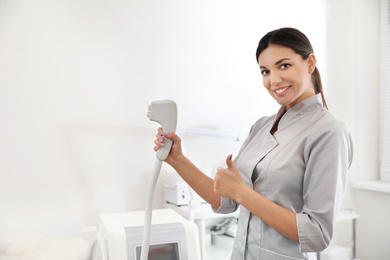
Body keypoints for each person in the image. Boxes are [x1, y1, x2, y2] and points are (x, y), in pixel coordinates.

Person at [153, 27, 353, 260]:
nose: (274, 80)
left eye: (284, 65)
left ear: (310, 63)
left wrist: (241, 193)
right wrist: (178, 160)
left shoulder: (329, 132)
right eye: (265, 71)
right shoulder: (261, 127)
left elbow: (317, 233)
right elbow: (226, 200)